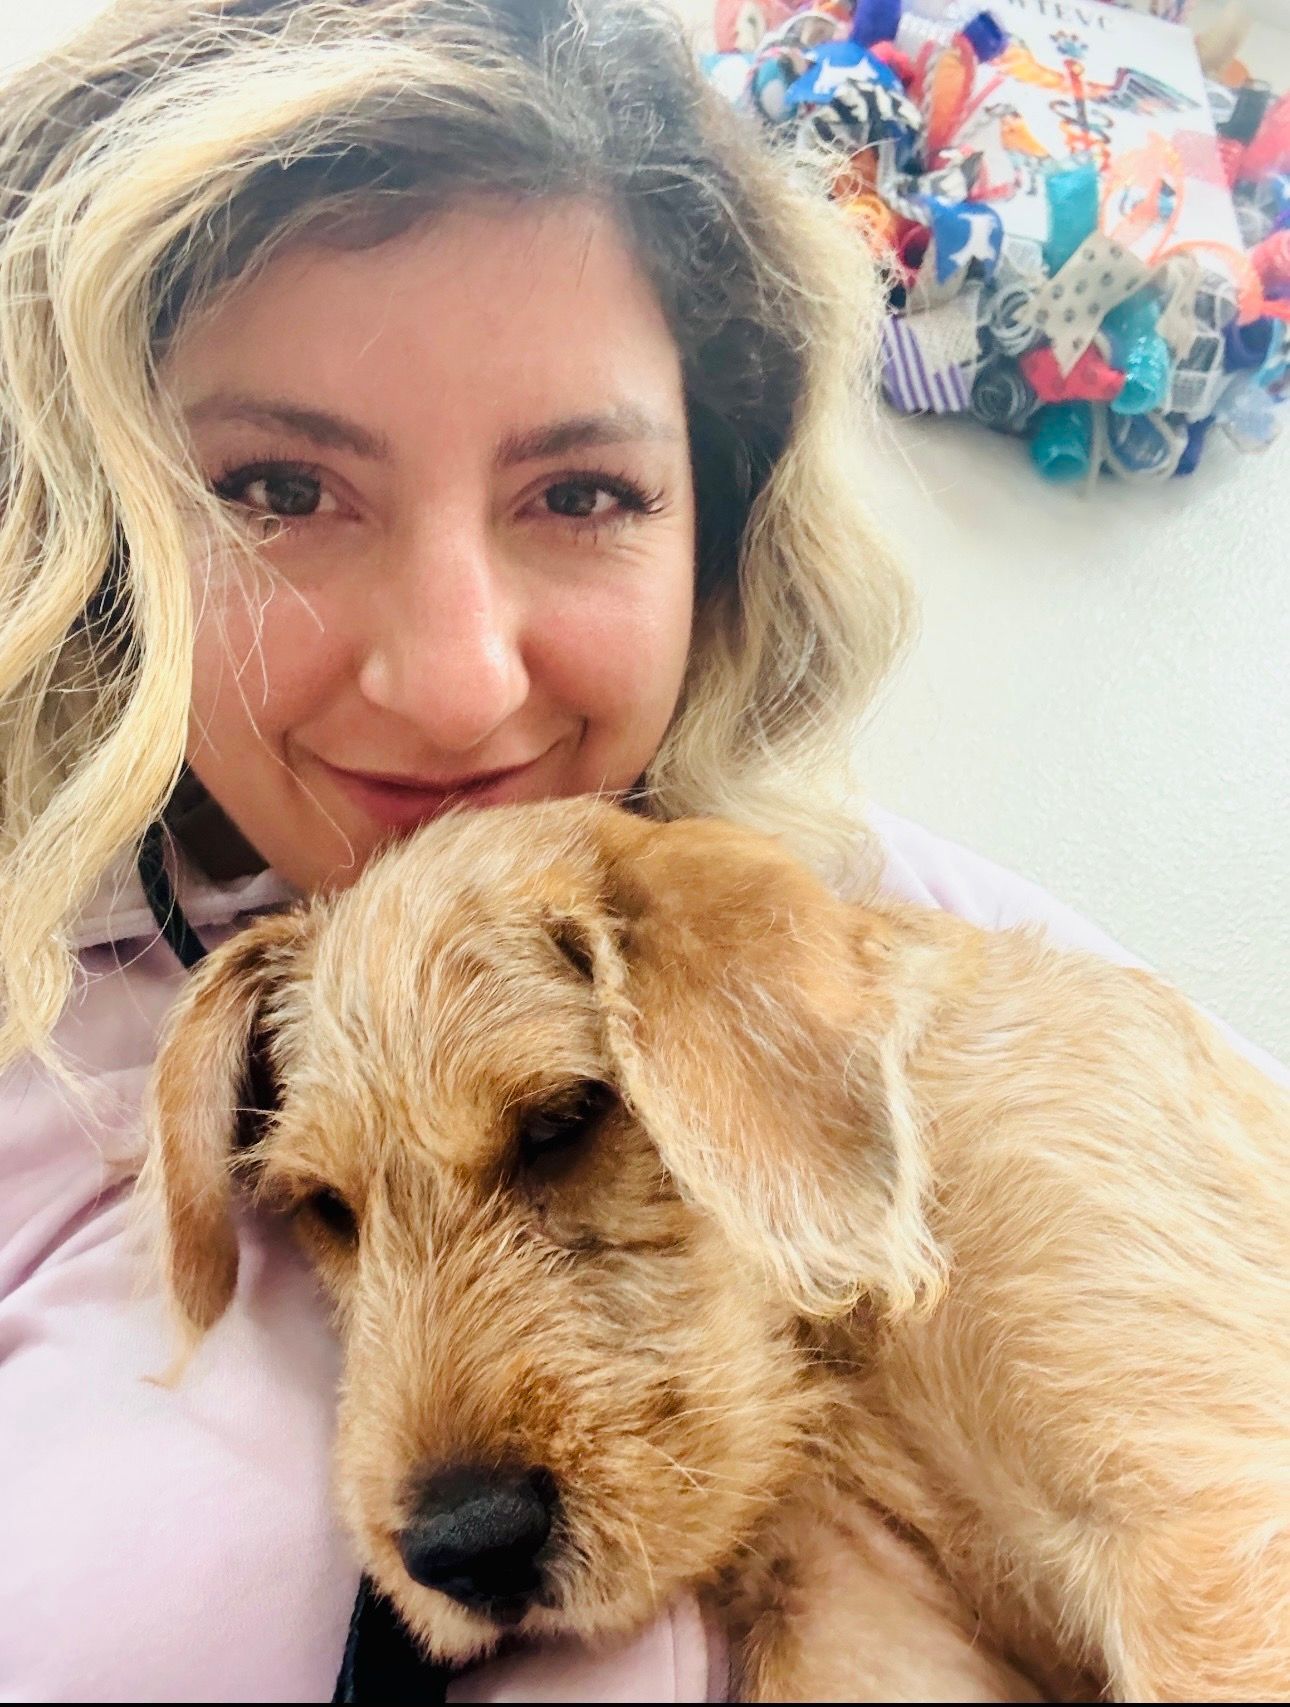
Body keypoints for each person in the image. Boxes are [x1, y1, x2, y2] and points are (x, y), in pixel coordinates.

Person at [0, 1, 1284, 1701]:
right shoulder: (84, 1042)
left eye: (584, 490)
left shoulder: (889, 947)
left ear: (717, 528)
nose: (456, 684)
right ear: (101, 521)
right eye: (278, 488)